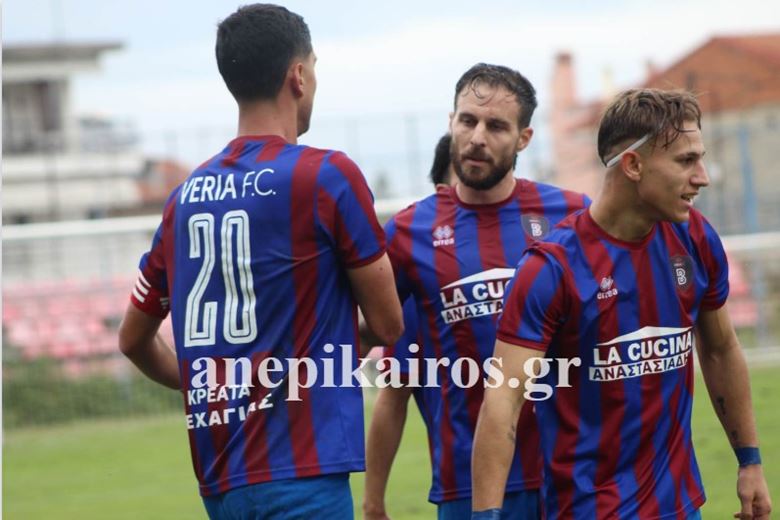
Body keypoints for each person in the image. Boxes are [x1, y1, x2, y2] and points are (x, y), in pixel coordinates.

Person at [118, 4, 403, 519]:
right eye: (314, 67)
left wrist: (214, 381)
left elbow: (132, 340)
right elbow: (387, 325)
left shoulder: (184, 199)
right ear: (298, 76)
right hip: (303, 473)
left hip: (220, 480)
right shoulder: (326, 176)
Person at [472, 88, 772, 520]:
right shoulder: (552, 269)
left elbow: (721, 349)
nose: (703, 177)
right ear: (633, 165)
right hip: (587, 510)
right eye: (686, 161)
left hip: (680, 507)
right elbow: (503, 401)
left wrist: (750, 461)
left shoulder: (695, 238)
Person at [363, 63, 590, 520]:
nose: (477, 137)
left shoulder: (571, 216)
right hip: (466, 484)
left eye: (497, 126)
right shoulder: (409, 232)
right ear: (451, 122)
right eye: (468, 120)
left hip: (570, 475)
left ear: (524, 138)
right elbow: (377, 355)